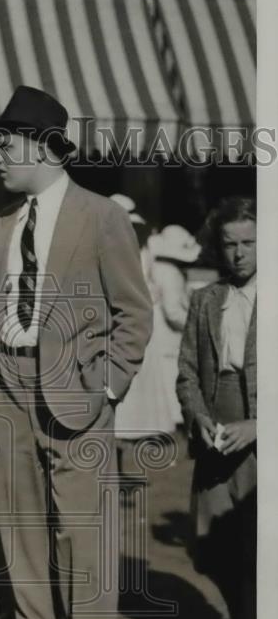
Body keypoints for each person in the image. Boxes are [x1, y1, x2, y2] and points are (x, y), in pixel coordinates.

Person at [0, 86, 152, 619]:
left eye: (7, 144)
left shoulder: (101, 216)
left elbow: (134, 309)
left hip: (77, 395)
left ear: (45, 147)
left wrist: (108, 384)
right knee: (19, 538)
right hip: (8, 392)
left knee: (85, 541)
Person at [177, 197, 256, 619]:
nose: (239, 253)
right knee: (217, 556)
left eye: (249, 241)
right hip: (215, 444)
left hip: (262, 444)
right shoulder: (207, 300)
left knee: (262, 565)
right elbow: (185, 372)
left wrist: (261, 427)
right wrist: (200, 417)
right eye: (229, 243)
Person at [109, 196, 178, 476]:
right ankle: (113, 463)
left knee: (136, 394)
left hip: (140, 328)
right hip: (115, 328)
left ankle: (124, 458)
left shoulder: (143, 250)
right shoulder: (108, 250)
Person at [149, 225, 201, 427]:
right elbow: (173, 311)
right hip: (169, 335)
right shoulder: (170, 272)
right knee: (171, 381)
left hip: (158, 334)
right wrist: (194, 325)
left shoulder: (157, 266)